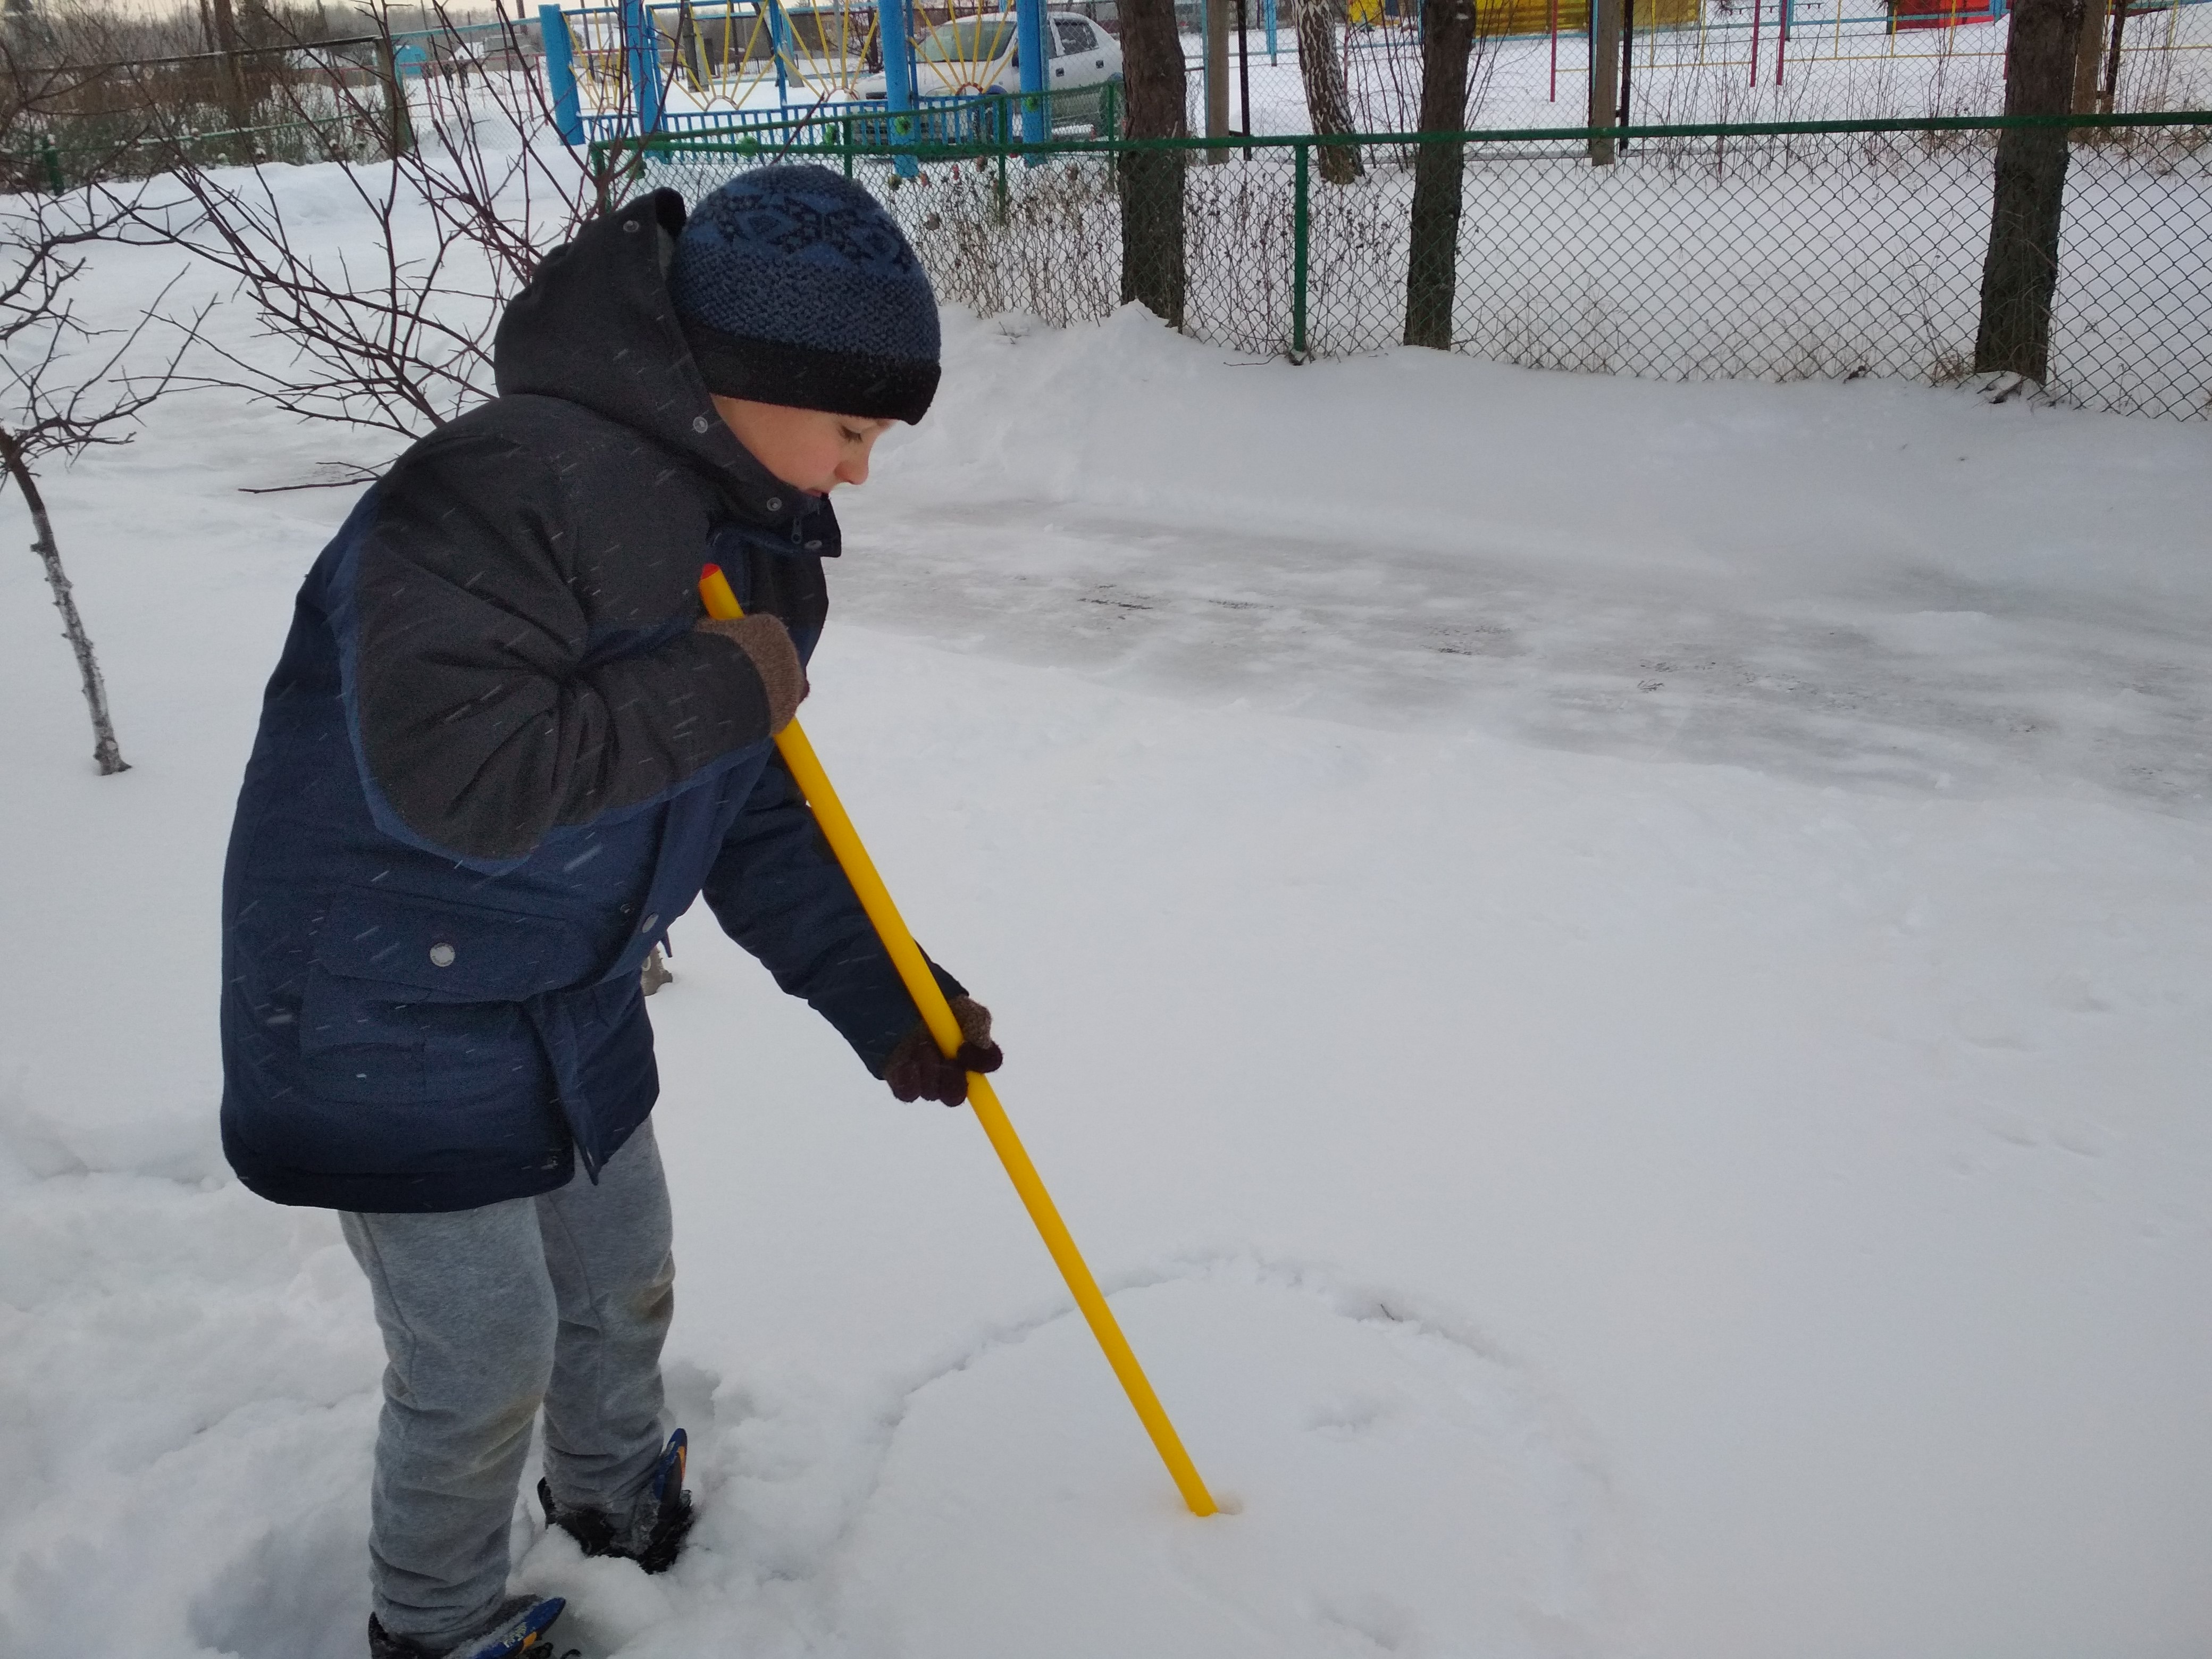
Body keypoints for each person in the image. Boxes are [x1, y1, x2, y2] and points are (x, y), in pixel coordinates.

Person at [216, 166, 1002, 1659]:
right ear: (739, 380)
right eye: (849, 430)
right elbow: (462, 779)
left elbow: (748, 805)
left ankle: (614, 1490)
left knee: (621, 1274)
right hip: (376, 1006)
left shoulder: (756, 541)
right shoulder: (499, 490)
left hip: (567, 988)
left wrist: (882, 986)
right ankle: (435, 1624)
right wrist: (716, 688)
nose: (859, 472)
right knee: (478, 1356)